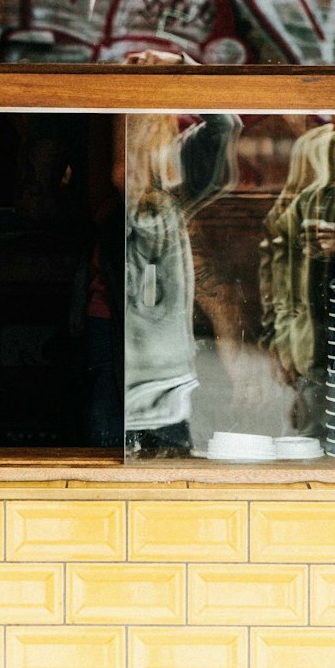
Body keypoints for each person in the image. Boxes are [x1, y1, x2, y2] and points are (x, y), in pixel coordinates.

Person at [124, 89, 241, 457]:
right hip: (118, 354)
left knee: (168, 469)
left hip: (165, 371)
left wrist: (180, 70)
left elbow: (224, 123)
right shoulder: (122, 200)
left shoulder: (176, 188)